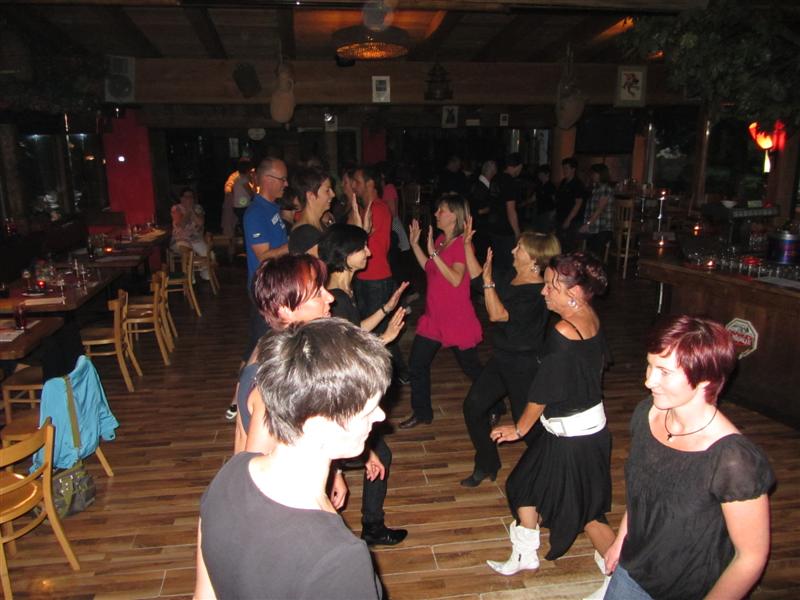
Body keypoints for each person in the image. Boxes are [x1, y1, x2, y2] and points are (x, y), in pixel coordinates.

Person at [194, 318, 390, 599]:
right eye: (368, 410)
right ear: (318, 424)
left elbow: (204, 595)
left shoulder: (228, 476)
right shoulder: (340, 558)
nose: (381, 416)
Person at [603, 315, 774, 600]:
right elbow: (644, 492)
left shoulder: (733, 460)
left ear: (705, 377)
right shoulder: (648, 414)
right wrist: (621, 540)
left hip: (689, 588)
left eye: (664, 372)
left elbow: (750, 558)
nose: (649, 380)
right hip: (632, 571)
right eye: (650, 365)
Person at [486, 252, 614, 580]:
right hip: (574, 430)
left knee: (588, 515)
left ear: (574, 293)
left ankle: (620, 579)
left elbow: (543, 392)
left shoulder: (563, 331)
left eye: (550, 286)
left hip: (575, 438)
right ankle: (525, 554)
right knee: (522, 486)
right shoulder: (590, 317)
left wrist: (519, 429)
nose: (543, 292)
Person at [318, 223, 410, 546]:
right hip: (340, 400)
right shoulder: (337, 300)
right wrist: (385, 339)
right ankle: (370, 526)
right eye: (362, 248)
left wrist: (385, 309)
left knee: (375, 455)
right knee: (377, 455)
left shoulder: (341, 292)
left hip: (340, 397)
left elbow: (354, 332)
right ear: (345, 254)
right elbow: (347, 357)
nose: (369, 253)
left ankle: (364, 525)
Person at [460, 221, 560, 487]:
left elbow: (497, 314)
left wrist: (488, 283)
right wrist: (467, 245)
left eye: (520, 248)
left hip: (524, 366)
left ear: (534, 259)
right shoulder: (510, 276)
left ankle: (553, 473)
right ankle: (487, 463)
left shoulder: (537, 294)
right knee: (473, 407)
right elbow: (478, 279)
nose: (513, 250)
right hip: (502, 358)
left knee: (527, 426)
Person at [399, 194, 482, 429]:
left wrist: (434, 254)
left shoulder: (462, 244)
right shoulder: (441, 239)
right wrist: (416, 245)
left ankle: (494, 404)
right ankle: (422, 413)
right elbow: (430, 267)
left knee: (472, 368)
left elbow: (455, 279)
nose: (436, 214)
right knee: (417, 364)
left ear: (454, 215)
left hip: (456, 319)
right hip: (434, 317)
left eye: (441, 210)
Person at [488, 153, 524, 278]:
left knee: (498, 263)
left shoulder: (495, 179)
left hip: (494, 226)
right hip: (506, 229)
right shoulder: (510, 182)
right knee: (510, 264)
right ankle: (508, 288)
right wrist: (517, 232)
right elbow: (511, 210)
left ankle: (496, 286)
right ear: (517, 166)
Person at [170, 187, 210, 280]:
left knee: (206, 252)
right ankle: (189, 278)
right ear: (181, 198)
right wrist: (188, 212)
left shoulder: (198, 208)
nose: (189, 199)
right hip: (180, 239)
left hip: (196, 238)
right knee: (187, 252)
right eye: (186, 197)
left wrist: (192, 211)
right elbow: (181, 224)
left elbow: (200, 222)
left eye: (191, 197)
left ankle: (205, 274)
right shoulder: (176, 208)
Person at [578, 163, 614, 259]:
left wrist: (588, 224)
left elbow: (599, 210)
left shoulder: (606, 189)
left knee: (594, 255)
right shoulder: (595, 189)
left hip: (603, 228)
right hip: (594, 227)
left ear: (601, 174)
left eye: (594, 173)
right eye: (592, 173)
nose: (592, 175)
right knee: (588, 252)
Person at [555, 156, 589, 251]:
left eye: (566, 168)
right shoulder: (563, 182)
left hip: (573, 221)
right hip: (561, 218)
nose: (564, 171)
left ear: (573, 169)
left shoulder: (578, 184)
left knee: (569, 246)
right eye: (563, 168)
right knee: (559, 245)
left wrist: (568, 220)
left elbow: (578, 204)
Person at [531, 164, 557, 233]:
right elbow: (533, 198)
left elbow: (555, 200)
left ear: (547, 174)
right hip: (538, 212)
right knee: (537, 232)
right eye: (539, 174)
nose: (539, 176)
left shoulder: (551, 186)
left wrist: (553, 213)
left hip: (547, 213)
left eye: (541, 174)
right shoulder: (539, 185)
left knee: (545, 233)